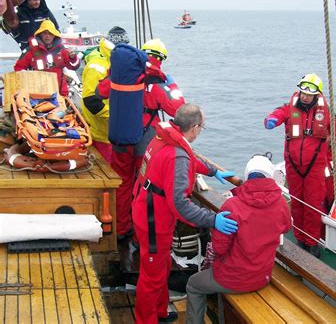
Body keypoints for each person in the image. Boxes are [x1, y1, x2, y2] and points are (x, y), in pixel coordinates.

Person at [131, 103, 237, 324]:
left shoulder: (163, 138)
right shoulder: (177, 154)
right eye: (202, 127)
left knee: (161, 266)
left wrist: (213, 171)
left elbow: (187, 161)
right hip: (154, 221)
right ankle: (145, 320)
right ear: (195, 127)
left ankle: (160, 310)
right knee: (151, 275)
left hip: (146, 209)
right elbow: (180, 203)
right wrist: (212, 219)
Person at [185, 154, 291, 324]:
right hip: (262, 276)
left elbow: (219, 249)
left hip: (232, 279)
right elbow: (286, 227)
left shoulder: (232, 206)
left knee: (193, 285)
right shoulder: (280, 204)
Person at [105, 38, 186, 240]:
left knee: (122, 183)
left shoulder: (123, 76)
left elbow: (100, 92)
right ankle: (139, 232)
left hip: (121, 137)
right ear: (161, 59)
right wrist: (172, 85)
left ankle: (121, 229)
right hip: (146, 142)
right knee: (143, 186)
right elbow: (178, 109)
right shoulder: (158, 83)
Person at [264, 73, 336, 257]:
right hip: (294, 166)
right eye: (302, 92)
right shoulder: (290, 108)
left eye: (308, 94)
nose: (304, 96)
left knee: (312, 205)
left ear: (316, 94)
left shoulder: (325, 115)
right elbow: (278, 113)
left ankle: (311, 242)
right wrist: (271, 120)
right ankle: (300, 236)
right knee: (297, 203)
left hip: (314, 168)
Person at [81, 27, 129, 163]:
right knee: (110, 170)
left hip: (113, 132)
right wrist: (117, 116)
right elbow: (91, 102)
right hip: (102, 134)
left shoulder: (114, 62)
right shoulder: (96, 67)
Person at [14, 19, 80, 97]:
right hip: (37, 94)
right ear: (40, 34)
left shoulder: (62, 50)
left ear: (54, 35)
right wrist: (27, 76)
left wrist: (72, 57)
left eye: (50, 33)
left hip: (60, 93)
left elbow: (74, 66)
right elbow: (18, 68)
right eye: (45, 33)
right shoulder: (31, 51)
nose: (47, 36)